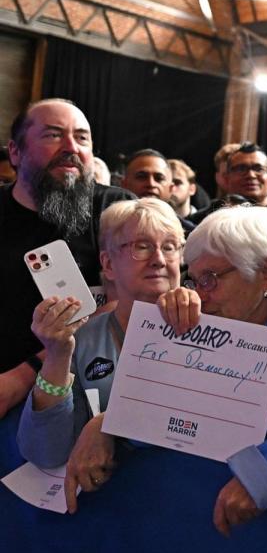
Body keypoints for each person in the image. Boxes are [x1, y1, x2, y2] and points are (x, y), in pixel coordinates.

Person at [21, 204, 267, 536]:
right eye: (196, 280)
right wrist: (108, 422)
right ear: (107, 263)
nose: (201, 294)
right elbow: (181, 421)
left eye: (211, 279)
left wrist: (264, 470)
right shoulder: (201, 321)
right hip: (185, 523)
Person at [18, 198, 185, 506]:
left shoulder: (208, 326)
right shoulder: (85, 339)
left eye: (171, 246)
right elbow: (45, 450)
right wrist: (57, 355)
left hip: (186, 496)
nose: (160, 259)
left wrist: (111, 423)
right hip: (118, 504)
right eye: (142, 247)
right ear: (108, 264)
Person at [0, 99, 132, 417]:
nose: (71, 147)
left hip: (91, 396)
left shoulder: (117, 209)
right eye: (53, 135)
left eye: (82, 137)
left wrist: (23, 375)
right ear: (15, 152)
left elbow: (134, 301)